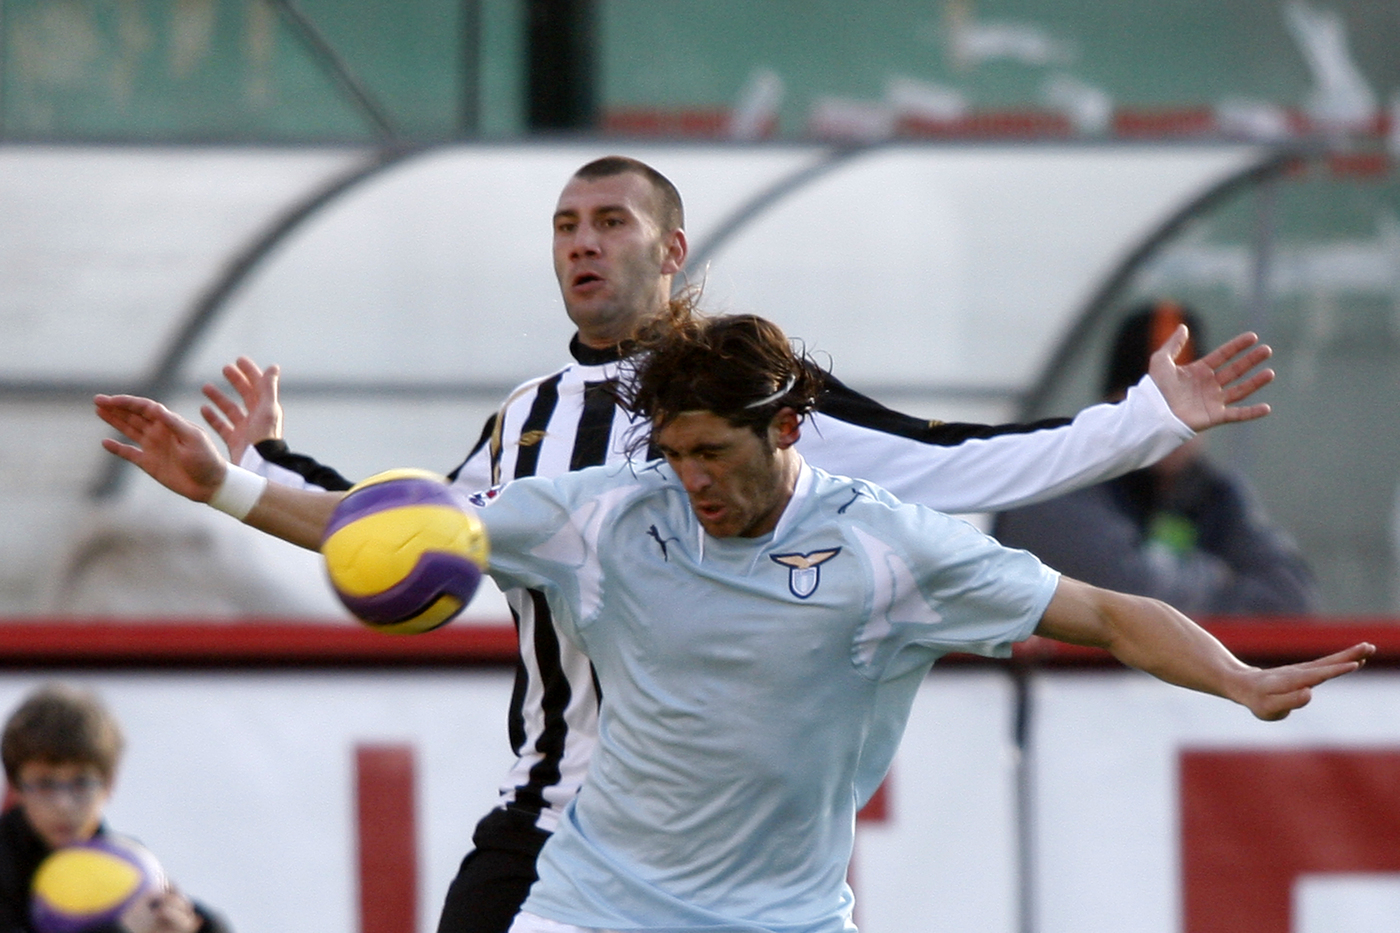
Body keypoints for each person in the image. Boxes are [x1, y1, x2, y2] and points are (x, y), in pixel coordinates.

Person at [193, 156, 1281, 933]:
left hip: (744, 863)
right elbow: (419, 528)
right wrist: (252, 476)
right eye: (565, 223)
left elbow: (957, 460)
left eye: (609, 220)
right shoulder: (532, 418)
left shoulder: (759, 400)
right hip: (559, 825)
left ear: (670, 250)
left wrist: (1141, 422)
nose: (580, 240)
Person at [995, 301, 1319, 615]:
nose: (1174, 420)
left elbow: (1293, 596)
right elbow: (1126, 592)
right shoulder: (1058, 479)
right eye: (1154, 403)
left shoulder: (1214, 493)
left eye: (1191, 402)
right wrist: (1218, 575)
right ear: (1110, 404)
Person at [0, 684, 231, 933]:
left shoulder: (125, 859)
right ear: (16, 786)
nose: (63, 804)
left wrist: (185, 926)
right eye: (45, 784)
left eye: (81, 783)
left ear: (109, 784)